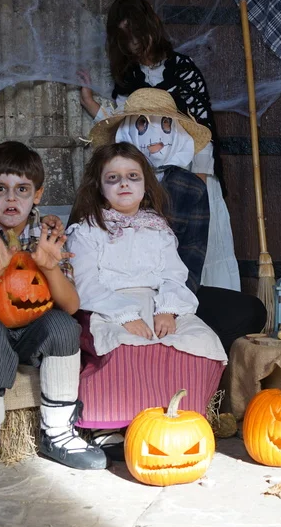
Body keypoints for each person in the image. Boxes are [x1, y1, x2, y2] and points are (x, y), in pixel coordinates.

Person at [0, 141, 106, 482]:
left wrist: (49, 268)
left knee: (63, 326)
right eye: (0, 189)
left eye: (22, 190)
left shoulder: (47, 234)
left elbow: (71, 306)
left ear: (38, 194)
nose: (11, 199)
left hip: (30, 330)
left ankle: (58, 432)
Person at [66, 143, 227, 458]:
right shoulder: (87, 230)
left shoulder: (157, 228)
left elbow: (174, 275)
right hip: (107, 306)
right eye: (113, 178)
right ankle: (110, 423)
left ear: (145, 185)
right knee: (123, 343)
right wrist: (125, 316)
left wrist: (168, 310)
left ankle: (174, 415)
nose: (124, 184)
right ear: (99, 187)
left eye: (133, 176)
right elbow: (85, 283)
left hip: (157, 302)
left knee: (200, 340)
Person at [78, 0, 240, 291]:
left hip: (191, 177)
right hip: (146, 185)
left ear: (151, 25)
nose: (134, 44)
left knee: (197, 254)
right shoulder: (128, 78)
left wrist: (197, 185)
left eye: (136, 33)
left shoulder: (184, 69)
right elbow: (122, 127)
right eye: (125, 38)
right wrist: (90, 103)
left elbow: (201, 127)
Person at [89, 88, 266, 352]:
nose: (155, 137)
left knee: (248, 310)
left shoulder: (191, 188)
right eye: (142, 124)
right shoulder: (106, 182)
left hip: (170, 290)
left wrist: (168, 309)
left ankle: (178, 354)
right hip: (115, 293)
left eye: (165, 124)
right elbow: (80, 256)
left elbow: (191, 259)